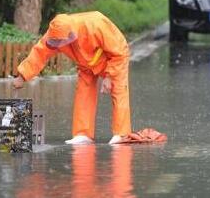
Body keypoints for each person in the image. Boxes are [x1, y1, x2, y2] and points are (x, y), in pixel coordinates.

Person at [12, 11, 131, 145]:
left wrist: (109, 76)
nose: (59, 44)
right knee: (83, 94)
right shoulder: (54, 34)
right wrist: (22, 76)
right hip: (86, 64)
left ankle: (122, 134)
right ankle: (83, 133)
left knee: (118, 90)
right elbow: (39, 54)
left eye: (61, 42)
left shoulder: (96, 24)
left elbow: (119, 53)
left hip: (113, 59)